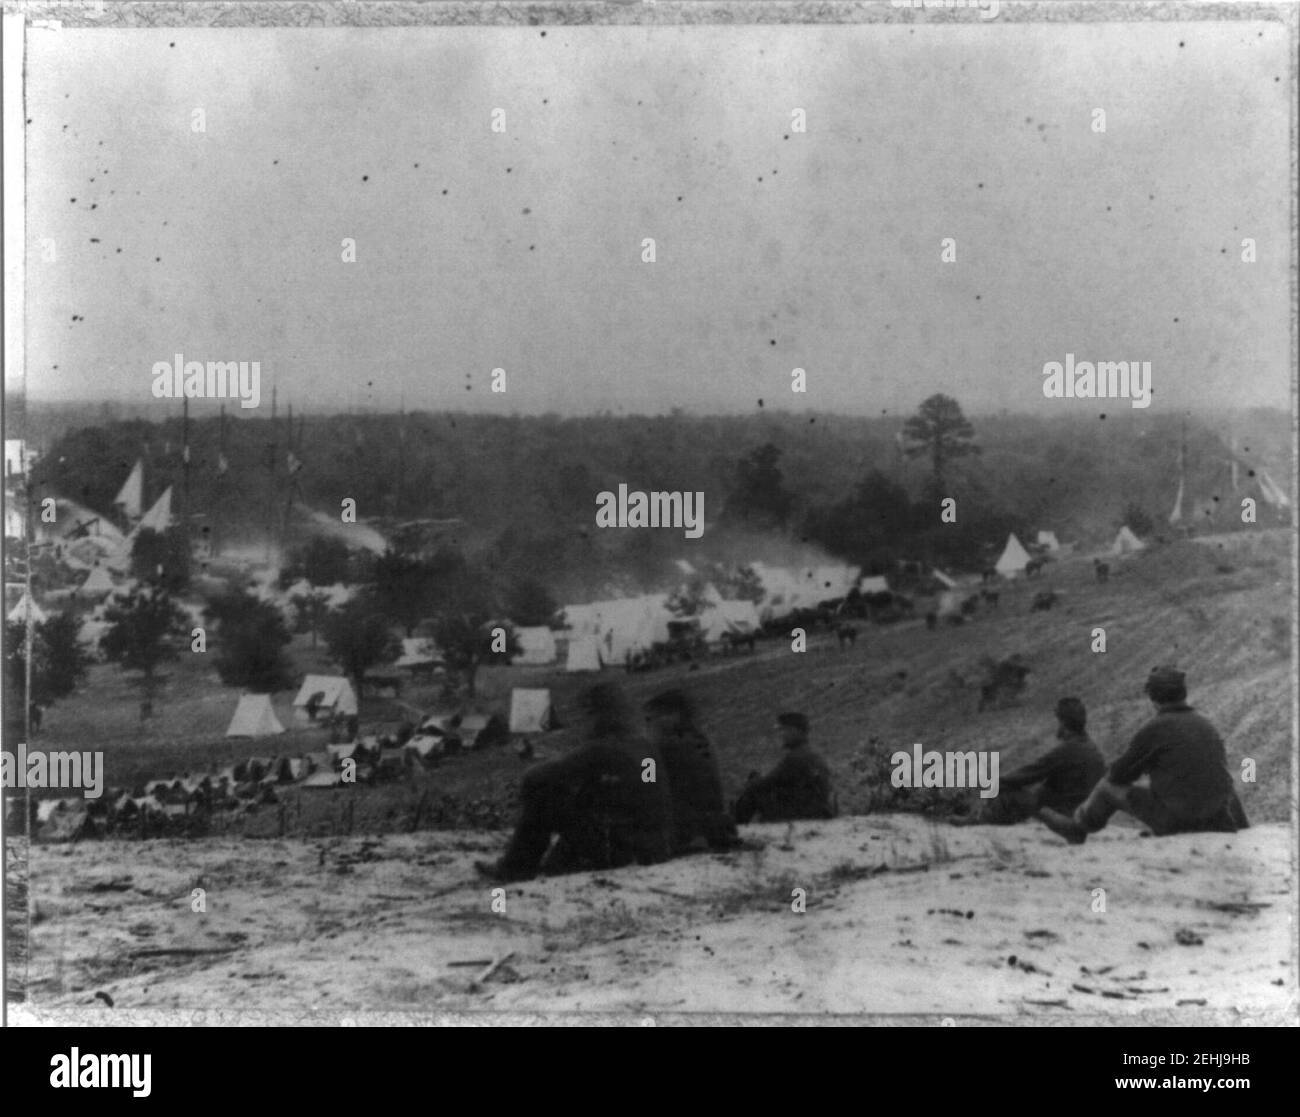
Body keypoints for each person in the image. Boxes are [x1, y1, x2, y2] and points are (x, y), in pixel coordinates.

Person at [477, 682, 672, 882]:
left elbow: (534, 778)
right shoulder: (645, 747)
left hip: (616, 846)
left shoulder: (601, 749)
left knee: (543, 793)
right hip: (647, 845)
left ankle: (516, 868)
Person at [1039, 667, 1248, 844]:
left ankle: (1078, 827)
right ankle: (1244, 828)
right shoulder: (1207, 725)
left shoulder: (1155, 728)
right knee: (1220, 781)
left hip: (1177, 822)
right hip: (1218, 821)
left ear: (1153, 698)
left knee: (1106, 788)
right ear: (1183, 693)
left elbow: (1118, 776)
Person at [953, 697, 1105, 825]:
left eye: (1059, 721)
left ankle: (976, 821)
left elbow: (1028, 774)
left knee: (1008, 791)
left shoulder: (1067, 750)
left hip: (1061, 812)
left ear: (1064, 723)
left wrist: (994, 783)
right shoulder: (1094, 749)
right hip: (1082, 812)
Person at [643, 689, 739, 853]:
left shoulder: (658, 749)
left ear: (673, 716)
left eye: (650, 718)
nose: (648, 724)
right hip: (716, 826)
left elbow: (647, 786)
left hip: (686, 832)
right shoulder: (701, 741)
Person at [733, 712, 836, 824]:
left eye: (784, 730)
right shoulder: (812, 753)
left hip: (803, 814)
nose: (781, 735)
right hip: (817, 810)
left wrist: (748, 784)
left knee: (753, 790)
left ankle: (733, 828)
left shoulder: (795, 757)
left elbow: (767, 782)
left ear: (794, 731)